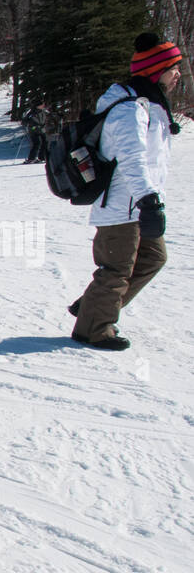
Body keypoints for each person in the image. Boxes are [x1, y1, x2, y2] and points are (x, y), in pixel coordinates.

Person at [68, 33, 182, 351]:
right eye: (174, 68)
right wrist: (148, 200)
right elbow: (132, 158)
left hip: (139, 201)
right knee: (117, 268)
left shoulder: (149, 103)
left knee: (153, 258)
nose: (178, 75)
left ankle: (96, 306)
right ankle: (93, 329)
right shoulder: (129, 108)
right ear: (156, 70)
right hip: (122, 204)